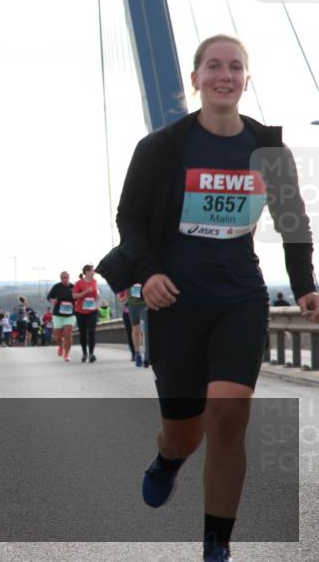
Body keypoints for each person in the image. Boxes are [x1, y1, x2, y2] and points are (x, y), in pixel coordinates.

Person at [114, 35, 318, 561]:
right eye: (213, 66)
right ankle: (167, 460)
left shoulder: (268, 152)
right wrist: (150, 273)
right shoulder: (162, 147)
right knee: (183, 434)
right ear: (195, 79)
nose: (224, 75)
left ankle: (216, 546)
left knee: (228, 417)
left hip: (239, 299)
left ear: (246, 79)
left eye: (235, 67)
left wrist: (306, 287)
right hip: (176, 302)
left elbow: (293, 225)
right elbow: (130, 219)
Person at [73, 266, 100, 362]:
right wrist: (85, 292)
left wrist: (97, 295)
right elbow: (74, 296)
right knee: (83, 333)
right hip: (81, 311)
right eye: (93, 271)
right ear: (87, 272)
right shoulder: (79, 283)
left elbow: (96, 291)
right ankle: (84, 353)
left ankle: (91, 354)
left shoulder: (95, 281)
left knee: (92, 332)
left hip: (93, 310)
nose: (94, 273)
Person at [48, 272, 76, 362]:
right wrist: (53, 300)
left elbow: (78, 298)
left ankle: (67, 354)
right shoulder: (57, 287)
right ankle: (60, 346)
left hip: (70, 315)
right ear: (60, 278)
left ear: (69, 277)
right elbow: (49, 297)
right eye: (63, 278)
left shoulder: (73, 287)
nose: (65, 279)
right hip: (58, 315)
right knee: (57, 336)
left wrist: (76, 302)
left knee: (68, 334)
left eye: (66, 277)